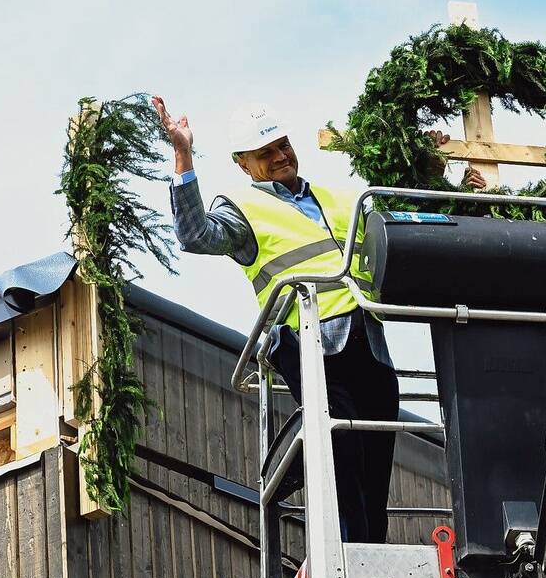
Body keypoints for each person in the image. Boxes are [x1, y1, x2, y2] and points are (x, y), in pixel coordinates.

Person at [151, 95, 406, 544]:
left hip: (367, 342)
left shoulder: (344, 199)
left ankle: (371, 555)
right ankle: (348, 552)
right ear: (243, 164)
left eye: (283, 145)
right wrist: (183, 153)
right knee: (341, 446)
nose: (280, 156)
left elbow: (400, 232)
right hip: (307, 342)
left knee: (375, 460)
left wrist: (442, 176)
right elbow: (193, 235)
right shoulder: (242, 209)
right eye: (265, 153)